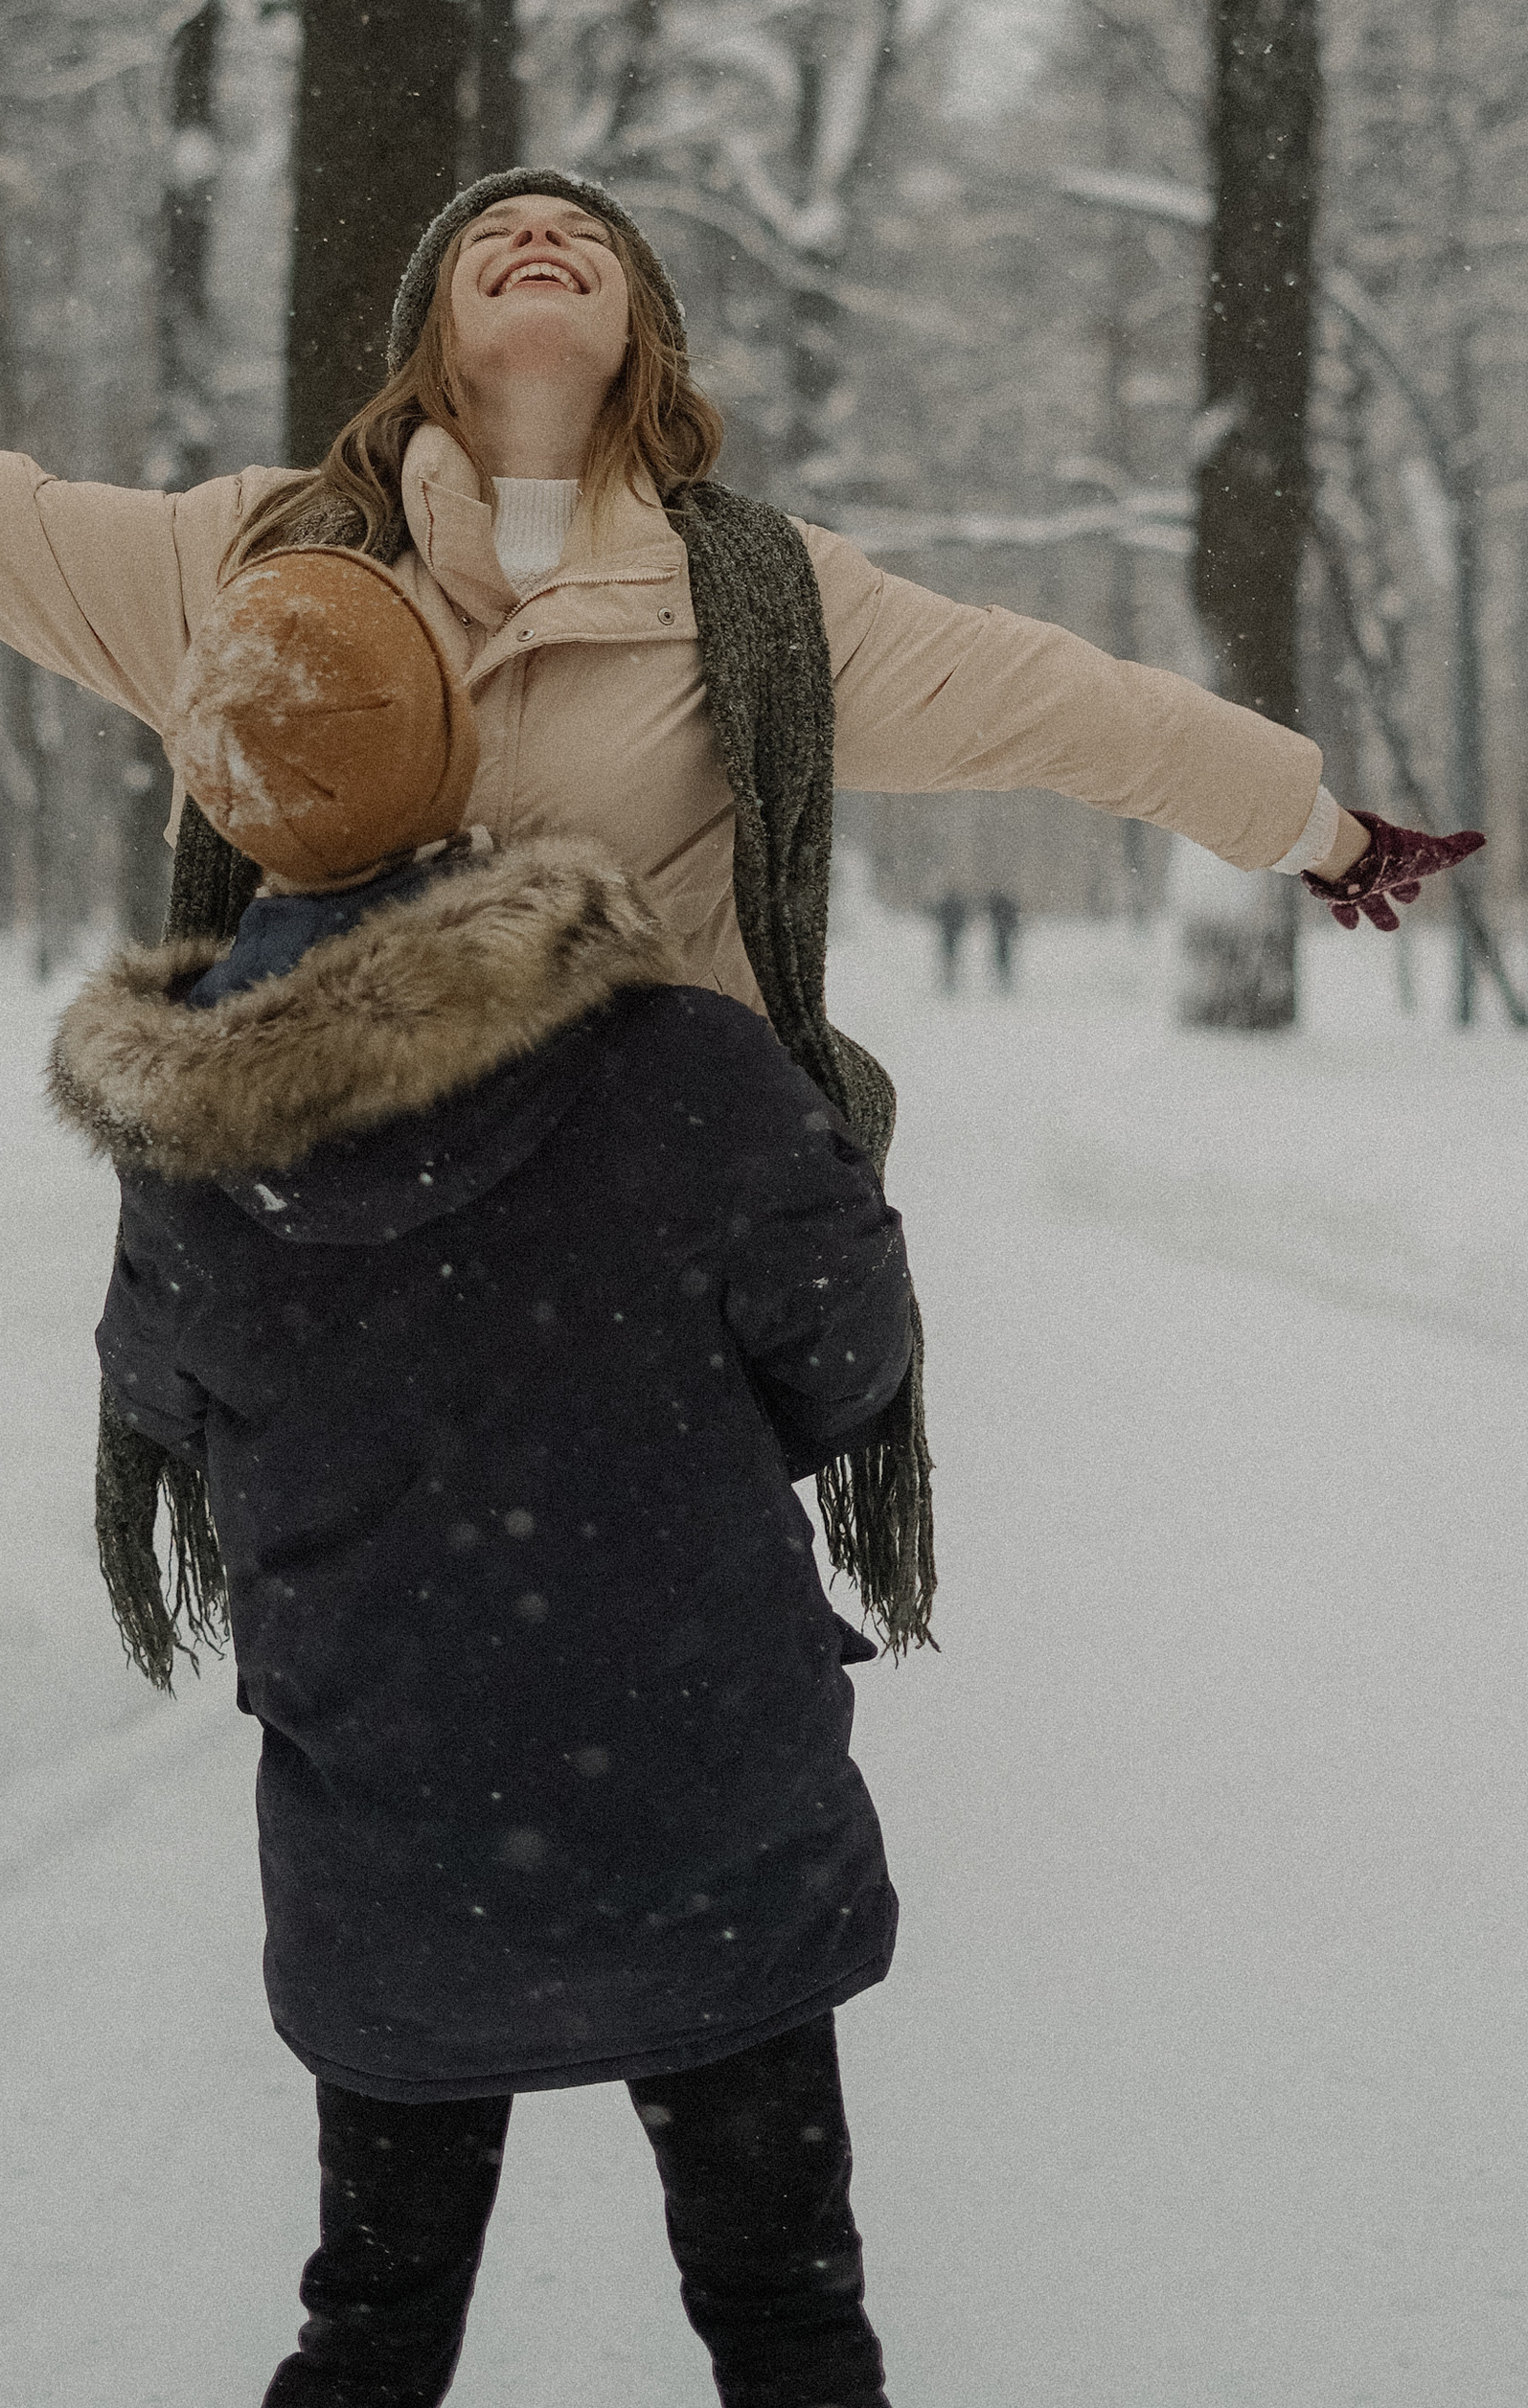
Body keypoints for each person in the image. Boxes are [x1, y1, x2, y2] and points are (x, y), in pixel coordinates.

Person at [0, 169, 1479, 1652]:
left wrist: (1306, 824)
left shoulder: (758, 602)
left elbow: (1064, 703)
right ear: (432, 325)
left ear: (644, 336)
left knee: (704, 1811)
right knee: (388, 1825)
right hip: (350, 1287)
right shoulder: (254, 557)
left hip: (649, 1294)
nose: (539, 240)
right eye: (492, 236)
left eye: (584, 240)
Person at [53, 536, 914, 2408]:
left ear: (226, 805)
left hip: (395, 1852)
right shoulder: (686, 1062)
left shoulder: (192, 1145)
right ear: (457, 760)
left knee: (368, 2328)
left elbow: (173, 1411)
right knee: (784, 2317)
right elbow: (848, 1360)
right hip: (707, 1826)